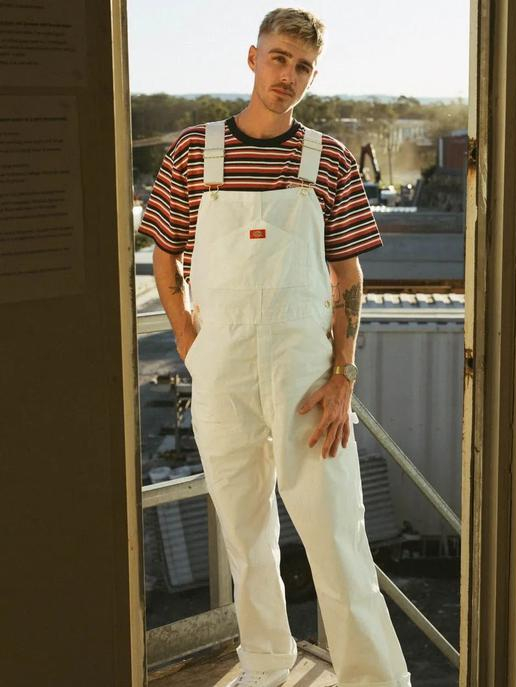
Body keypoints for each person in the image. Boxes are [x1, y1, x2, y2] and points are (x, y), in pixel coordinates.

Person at [138, 8, 412, 687]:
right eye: (279, 58)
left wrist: (344, 375)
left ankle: (374, 679)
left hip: (308, 380)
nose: (288, 76)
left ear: (313, 77)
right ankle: (264, 663)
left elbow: (349, 276)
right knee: (245, 533)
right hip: (222, 372)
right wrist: (189, 342)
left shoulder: (329, 159)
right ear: (253, 57)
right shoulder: (194, 151)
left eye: (303, 67)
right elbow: (165, 255)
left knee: (338, 536)